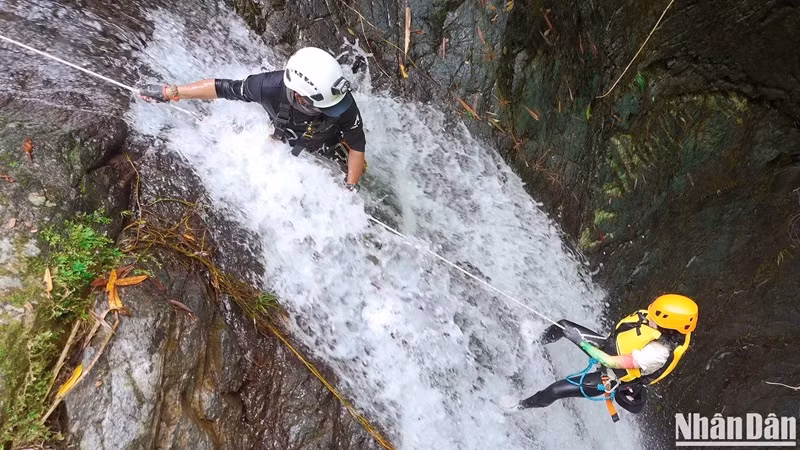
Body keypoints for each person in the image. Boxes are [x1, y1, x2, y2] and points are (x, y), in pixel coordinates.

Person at [138, 47, 366, 189]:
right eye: (327, 106)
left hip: (330, 146)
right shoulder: (267, 86)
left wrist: (351, 188)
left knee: (358, 172)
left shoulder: (340, 101)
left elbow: (356, 145)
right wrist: (172, 92)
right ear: (300, 95)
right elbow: (223, 88)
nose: (336, 108)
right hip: (285, 140)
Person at [519, 294, 698, 416]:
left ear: (668, 328)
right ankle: (533, 344)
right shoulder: (668, 328)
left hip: (610, 377)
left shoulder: (658, 354)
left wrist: (580, 342)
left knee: (555, 390)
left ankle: (517, 406)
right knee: (563, 326)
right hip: (609, 346)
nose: (648, 317)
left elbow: (610, 362)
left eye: (654, 318)